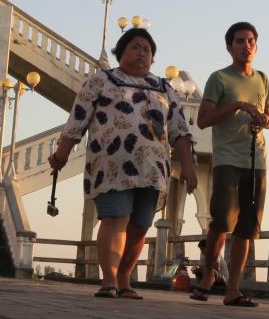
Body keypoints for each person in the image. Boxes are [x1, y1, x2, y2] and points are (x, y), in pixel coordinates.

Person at [50, 26, 198, 298]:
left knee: (140, 226)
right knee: (115, 218)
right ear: (121, 51)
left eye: (147, 49)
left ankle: (125, 277)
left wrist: (188, 165)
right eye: (135, 47)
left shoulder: (163, 87)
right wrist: (61, 155)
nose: (142, 53)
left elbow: (179, 130)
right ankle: (109, 280)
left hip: (152, 169)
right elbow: (77, 120)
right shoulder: (101, 81)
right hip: (111, 165)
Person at [192, 21, 269, 307]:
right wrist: (238, 106)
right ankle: (208, 274)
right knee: (223, 220)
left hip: (256, 160)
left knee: (247, 228)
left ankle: (234, 289)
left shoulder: (262, 78)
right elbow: (203, 119)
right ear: (229, 47)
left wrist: (263, 120)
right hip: (227, 158)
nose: (246, 45)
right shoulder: (219, 78)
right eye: (240, 41)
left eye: (251, 40)